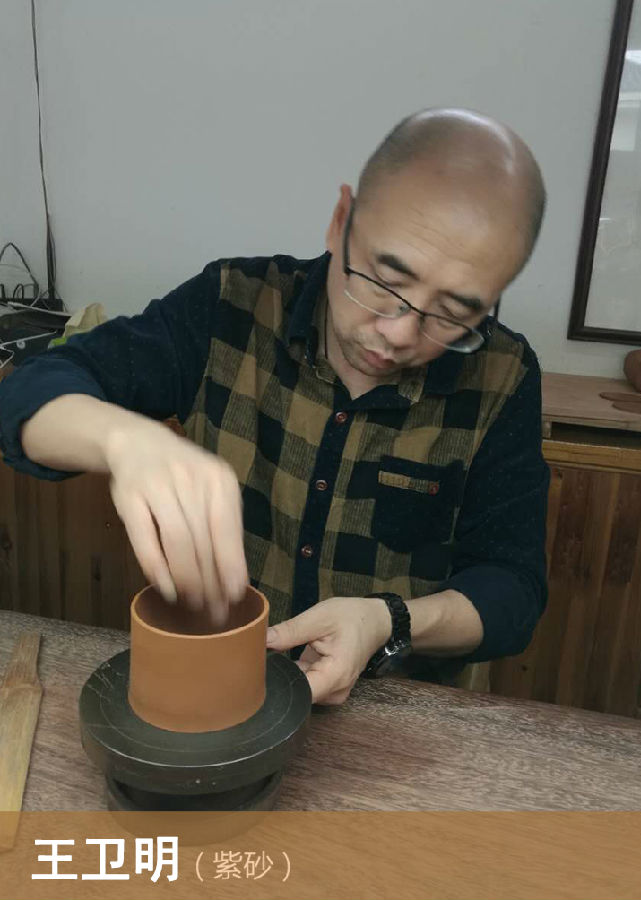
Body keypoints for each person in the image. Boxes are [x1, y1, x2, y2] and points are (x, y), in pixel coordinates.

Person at [0, 108, 549, 704]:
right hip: (212, 690)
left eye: (451, 314)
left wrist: (389, 621)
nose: (398, 332)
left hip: (395, 713)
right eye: (385, 281)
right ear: (340, 222)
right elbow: (26, 393)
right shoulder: (230, 306)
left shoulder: (502, 375)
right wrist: (122, 440)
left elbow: (512, 590)